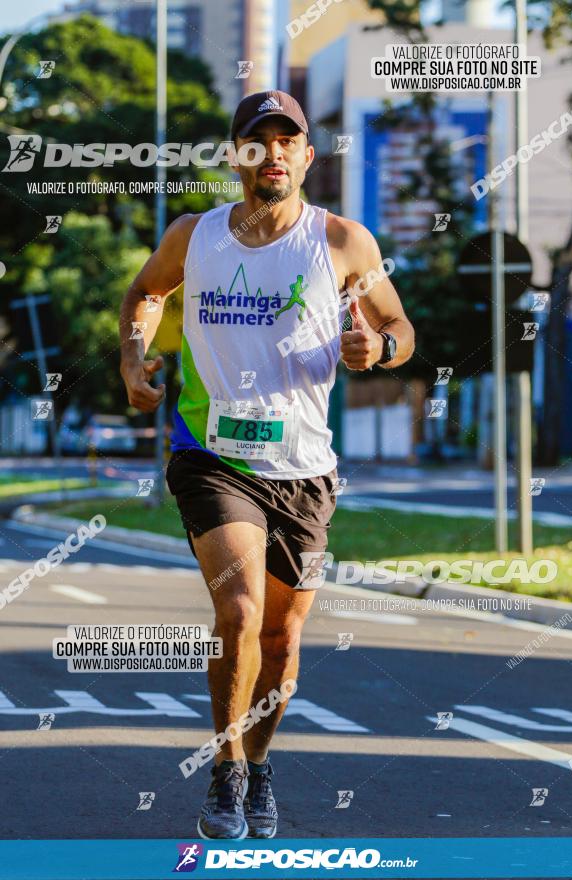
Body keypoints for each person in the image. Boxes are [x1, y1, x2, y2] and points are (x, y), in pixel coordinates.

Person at [119, 89, 415, 840]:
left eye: (288, 141)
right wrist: (132, 358)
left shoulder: (344, 242)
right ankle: (225, 772)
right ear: (237, 156)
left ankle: (257, 762)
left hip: (304, 467)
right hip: (210, 454)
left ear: (307, 157)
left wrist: (375, 348)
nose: (273, 153)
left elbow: (398, 327)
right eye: (258, 141)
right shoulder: (195, 236)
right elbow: (146, 293)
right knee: (241, 613)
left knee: (281, 643)